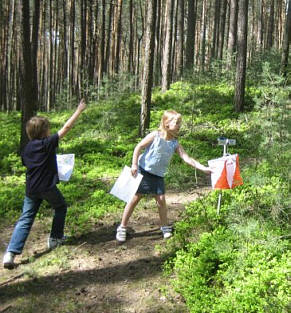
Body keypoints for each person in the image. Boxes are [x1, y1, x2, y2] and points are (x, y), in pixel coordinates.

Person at [3, 99, 86, 269]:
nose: (50, 130)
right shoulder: (46, 144)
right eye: (48, 128)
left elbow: (29, 165)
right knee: (61, 206)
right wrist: (78, 111)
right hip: (46, 187)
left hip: (31, 188)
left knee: (25, 218)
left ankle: (10, 253)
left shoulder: (26, 148)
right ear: (43, 132)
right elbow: (66, 129)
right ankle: (55, 238)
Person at [116, 110, 212, 243]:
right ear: (166, 124)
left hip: (158, 175)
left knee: (161, 200)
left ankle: (165, 227)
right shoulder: (155, 135)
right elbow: (138, 147)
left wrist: (203, 168)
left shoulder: (175, 143)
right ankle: (122, 227)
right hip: (144, 171)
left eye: (180, 123)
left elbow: (187, 158)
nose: (179, 126)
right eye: (177, 123)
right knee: (135, 199)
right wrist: (134, 165)